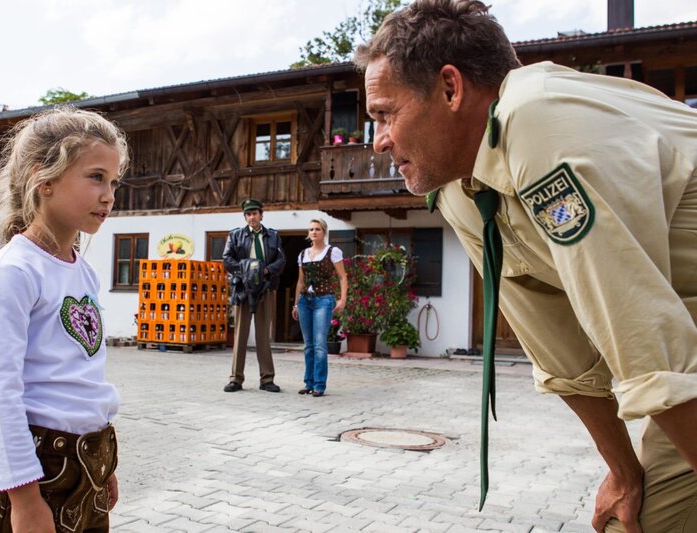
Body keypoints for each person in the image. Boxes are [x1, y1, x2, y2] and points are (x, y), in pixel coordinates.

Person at [355, 1, 697, 531]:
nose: (377, 141)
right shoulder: (459, 189)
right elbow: (560, 350)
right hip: (683, 334)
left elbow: (645, 339)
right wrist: (624, 472)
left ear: (451, 89)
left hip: (677, 340)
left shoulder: (536, 120)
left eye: (385, 114)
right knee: (650, 518)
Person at [0, 107, 128, 532]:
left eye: (113, 182)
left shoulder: (83, 271)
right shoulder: (14, 273)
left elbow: (80, 374)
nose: (109, 194)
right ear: (46, 179)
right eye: (95, 177)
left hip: (86, 466)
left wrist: (99, 464)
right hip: (38, 474)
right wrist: (24, 500)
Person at [222, 199, 286, 393]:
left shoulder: (274, 236)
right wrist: (248, 270)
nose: (252, 217)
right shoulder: (235, 235)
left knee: (263, 336)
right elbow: (227, 259)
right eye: (248, 214)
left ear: (261, 215)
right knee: (240, 334)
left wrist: (264, 271)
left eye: (255, 213)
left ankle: (267, 379)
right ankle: (235, 379)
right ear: (245, 217)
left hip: (265, 288)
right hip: (242, 288)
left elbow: (281, 260)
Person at [291, 219, 348, 397]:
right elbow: (300, 281)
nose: (314, 232)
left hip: (324, 300)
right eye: (311, 229)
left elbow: (342, 277)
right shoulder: (303, 254)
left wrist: (342, 299)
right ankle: (308, 383)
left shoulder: (332, 252)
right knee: (308, 345)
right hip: (304, 301)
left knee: (320, 344)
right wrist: (295, 303)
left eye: (317, 229)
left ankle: (319, 385)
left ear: (324, 232)